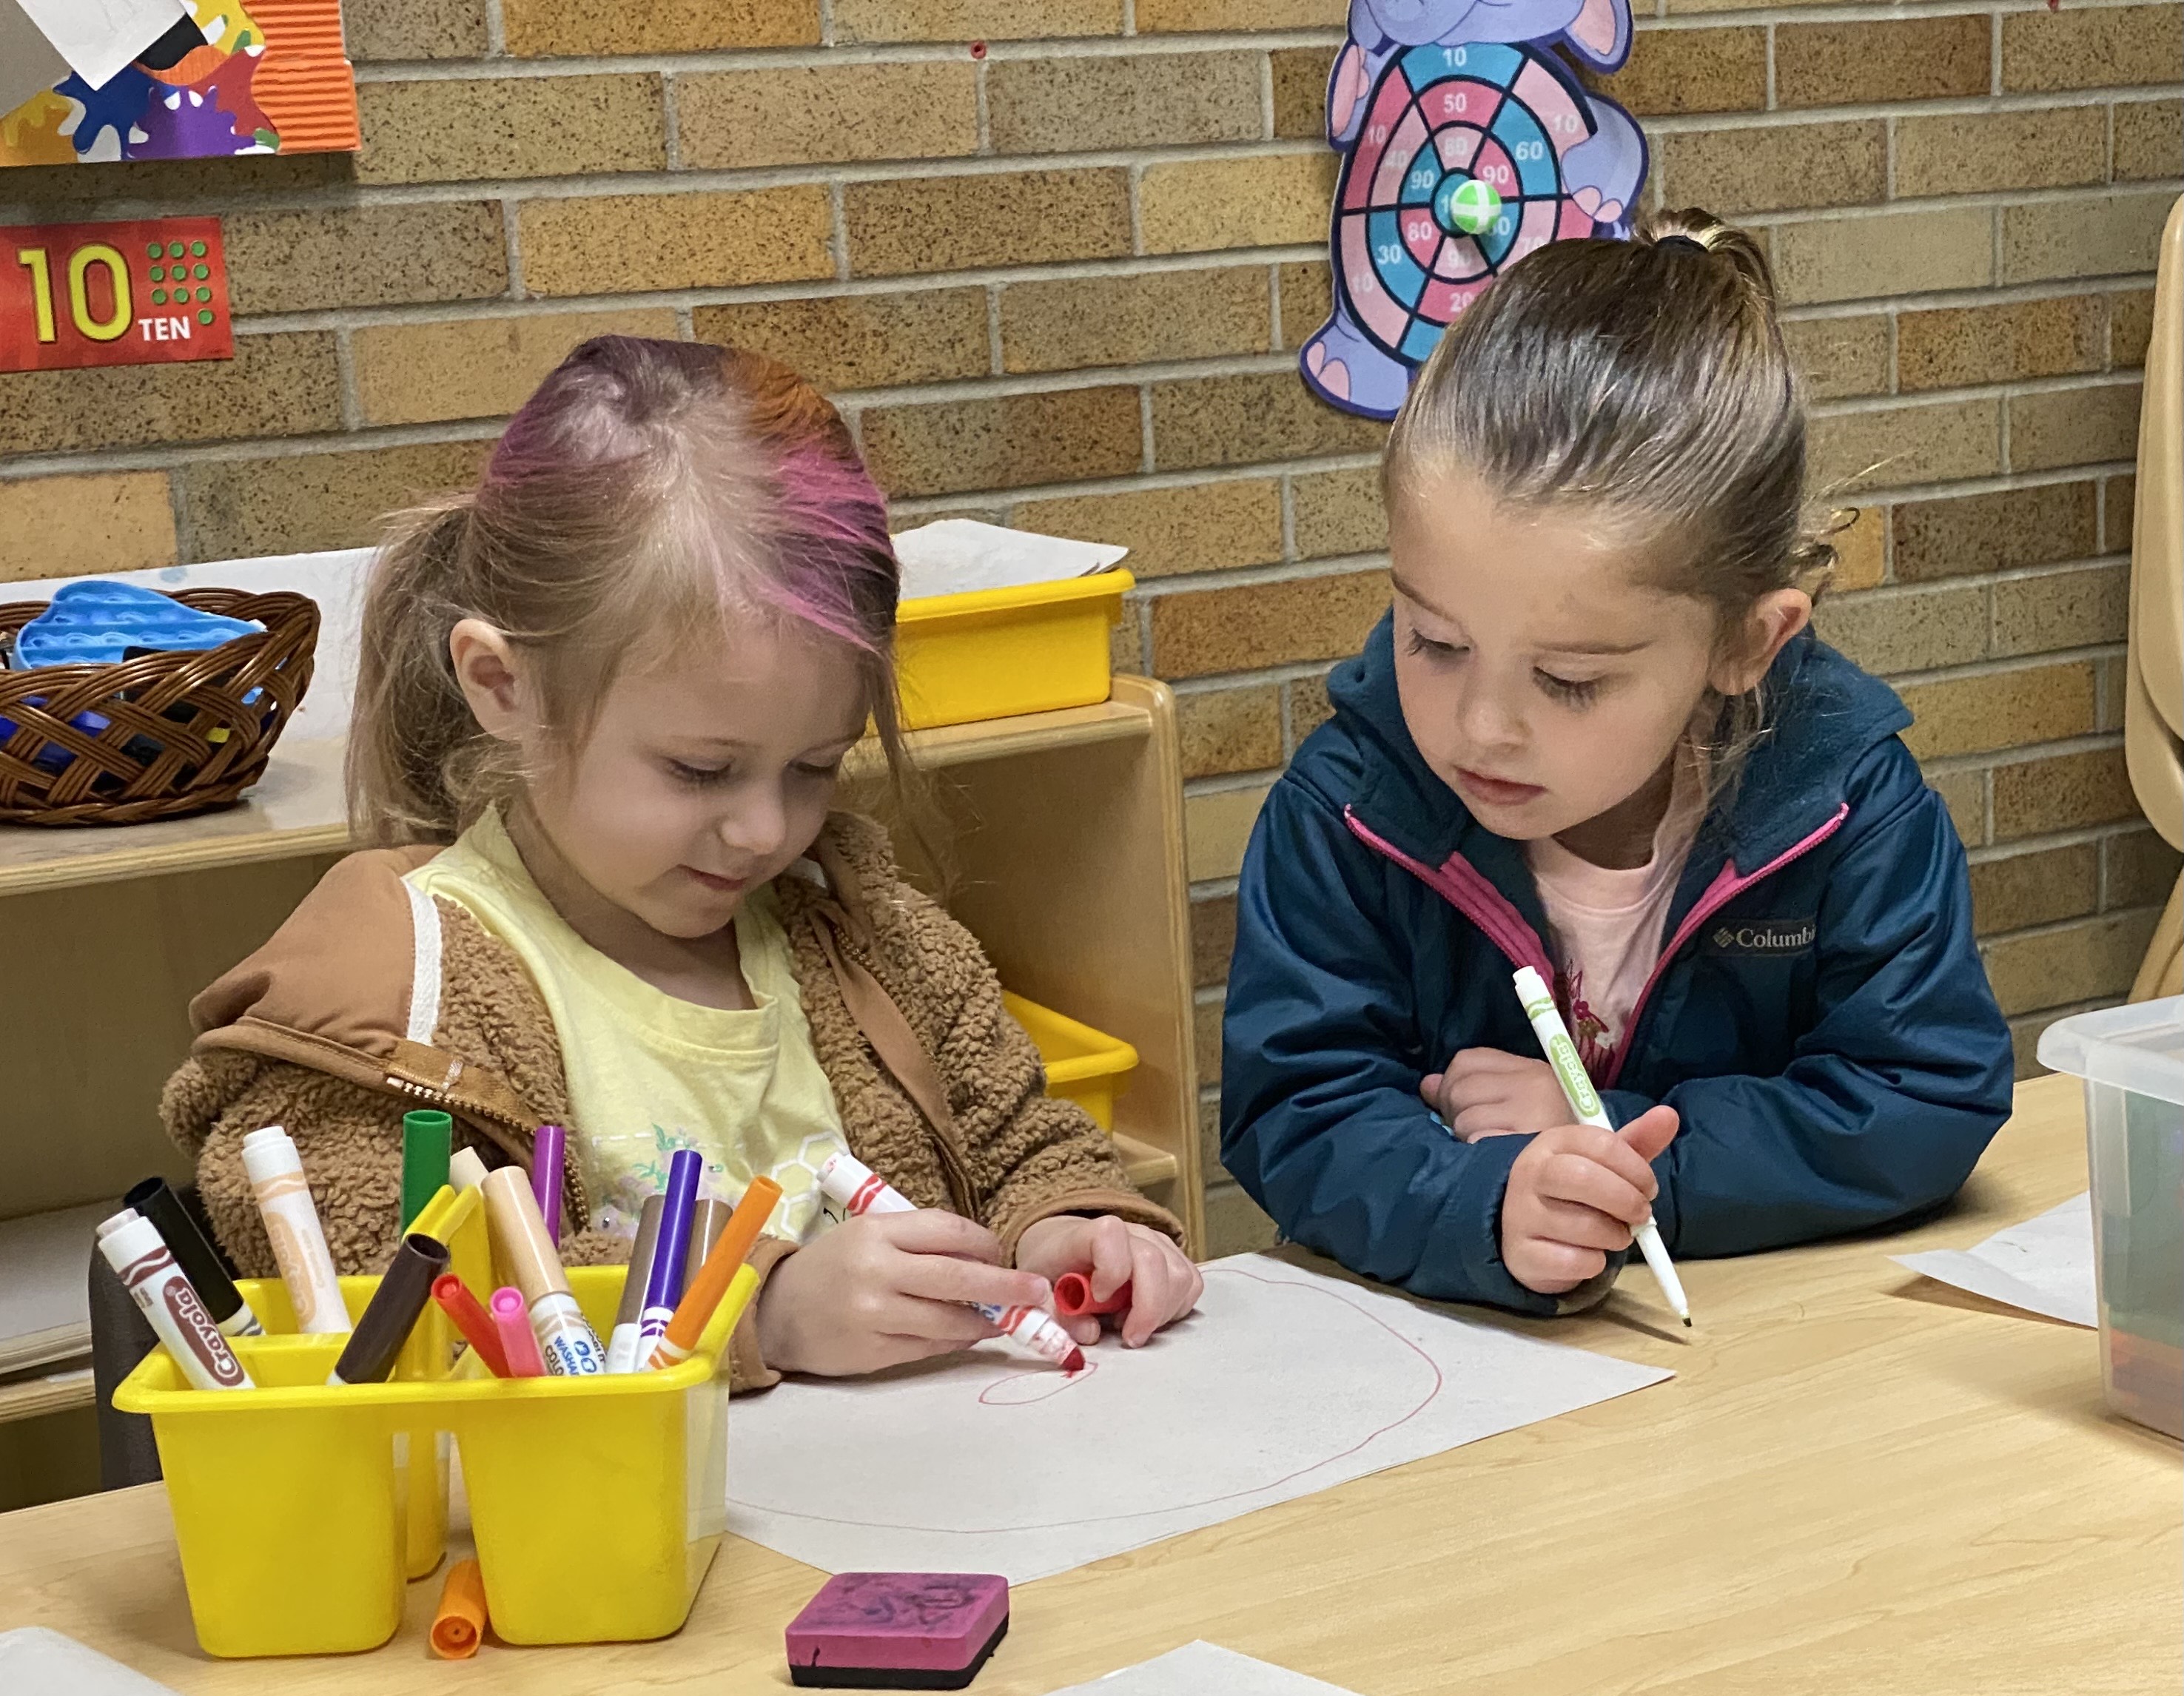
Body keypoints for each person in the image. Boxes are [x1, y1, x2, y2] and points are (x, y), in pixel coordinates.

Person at [164, 337, 1200, 1387]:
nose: (764, 831)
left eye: (813, 767)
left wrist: (1067, 1226)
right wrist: (763, 1309)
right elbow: (388, 1298)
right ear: (502, 686)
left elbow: (1019, 1138)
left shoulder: (858, 927)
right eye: (702, 770)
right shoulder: (397, 992)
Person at [1223, 212, 2013, 1325]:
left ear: (1748, 642)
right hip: (1456, 1378)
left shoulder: (1845, 800)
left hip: (1763, 1361)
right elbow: (1297, 1109)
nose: (1483, 727)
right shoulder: (1351, 805)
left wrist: (1620, 1149)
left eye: (1573, 680)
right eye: (1435, 643)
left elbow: (1922, 1095)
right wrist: (1486, 1205)